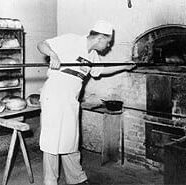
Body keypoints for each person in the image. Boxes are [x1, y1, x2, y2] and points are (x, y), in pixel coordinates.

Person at [37, 20, 136, 185]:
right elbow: (42, 44)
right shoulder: (71, 40)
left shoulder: (92, 55)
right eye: (108, 42)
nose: (108, 46)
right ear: (99, 38)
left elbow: (101, 70)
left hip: (70, 100)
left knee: (70, 139)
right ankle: (50, 181)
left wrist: (124, 66)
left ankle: (76, 178)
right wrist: (53, 55)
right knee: (52, 141)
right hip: (54, 96)